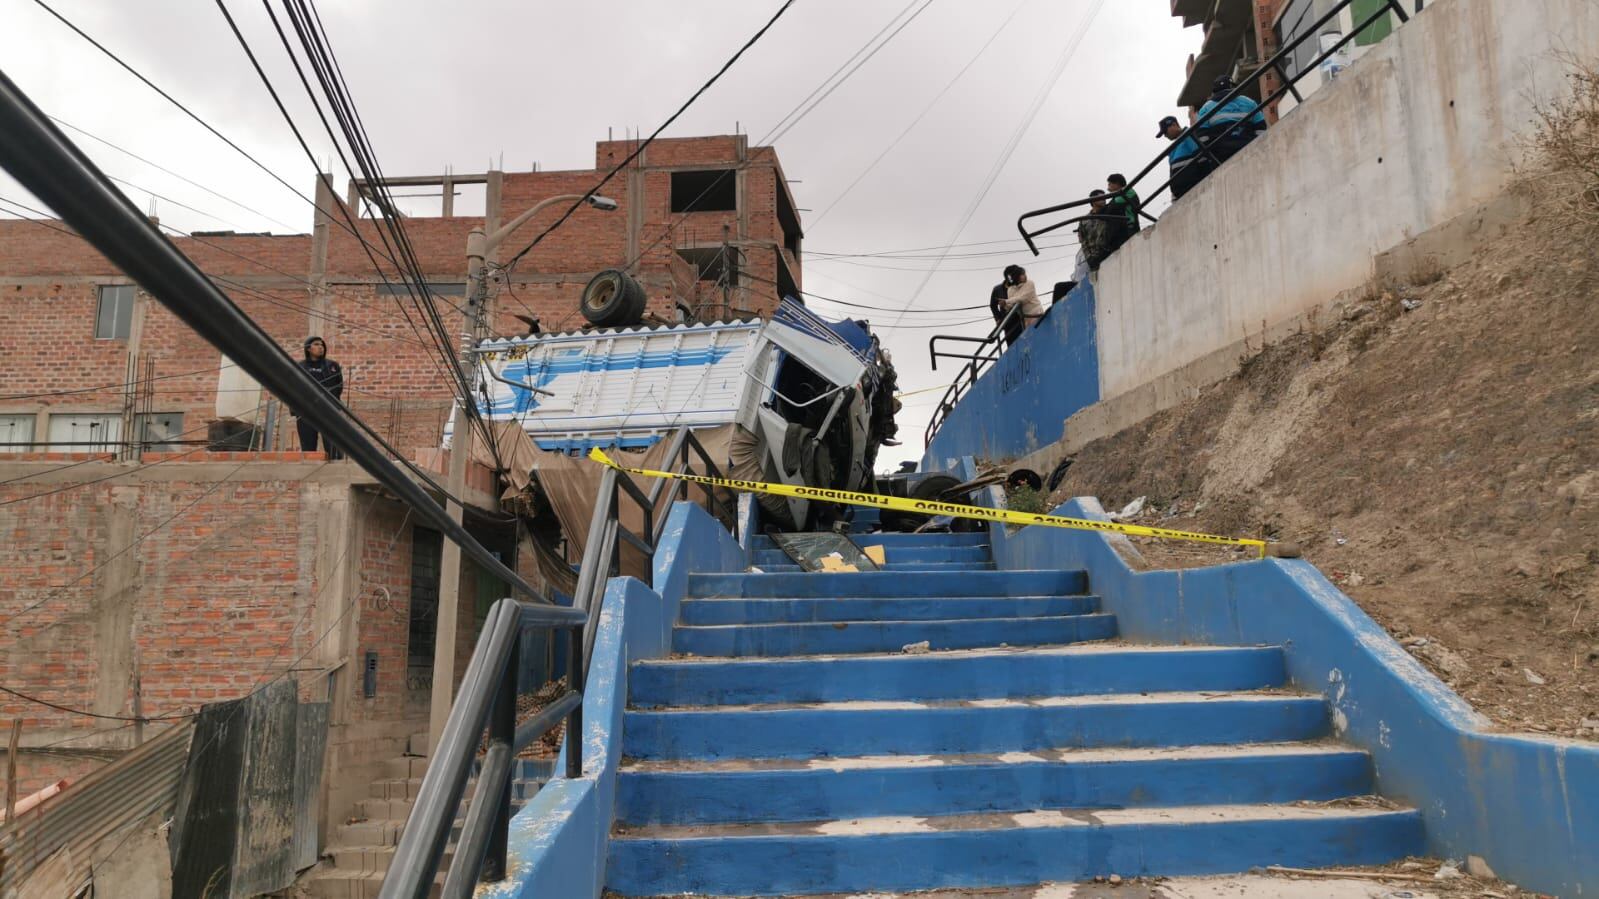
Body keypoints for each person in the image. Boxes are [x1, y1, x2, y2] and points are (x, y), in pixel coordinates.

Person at [1196, 76, 1266, 164]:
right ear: (1231, 86)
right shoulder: (1249, 102)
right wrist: (1257, 146)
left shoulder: (1206, 108)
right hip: (1249, 150)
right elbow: (1261, 128)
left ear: (1214, 91)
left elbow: (1202, 137)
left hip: (1221, 157)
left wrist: (1211, 157)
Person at [296, 335, 343, 458]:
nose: (320, 347)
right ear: (308, 349)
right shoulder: (300, 367)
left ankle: (335, 470)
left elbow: (338, 387)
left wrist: (333, 404)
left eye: (322, 344)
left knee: (333, 445)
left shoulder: (332, 366)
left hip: (328, 409)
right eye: (316, 344)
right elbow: (295, 388)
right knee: (308, 446)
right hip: (306, 411)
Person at [1160, 114, 1214, 199]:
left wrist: (1207, 178)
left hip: (1196, 187)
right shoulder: (1172, 149)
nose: (1165, 135)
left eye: (1165, 131)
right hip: (1181, 194)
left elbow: (1201, 157)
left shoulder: (1189, 134)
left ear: (1174, 125)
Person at [1076, 189, 1115, 271]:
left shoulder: (1110, 213)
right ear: (1093, 200)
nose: (1104, 200)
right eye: (1101, 198)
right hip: (1093, 259)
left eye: (1105, 198)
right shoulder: (1084, 220)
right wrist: (1089, 258)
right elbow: (1083, 241)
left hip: (1109, 253)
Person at [1000, 264, 1043, 330]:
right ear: (1016, 276)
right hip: (1025, 319)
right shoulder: (1010, 289)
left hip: (1037, 314)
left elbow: (1023, 299)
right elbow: (1012, 306)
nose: (1025, 276)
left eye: (1024, 273)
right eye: (1022, 274)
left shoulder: (1030, 283)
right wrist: (1004, 305)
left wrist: (1007, 301)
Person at [990, 282, 1024, 348]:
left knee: (1024, 340)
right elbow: (993, 305)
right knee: (1012, 345)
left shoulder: (1019, 286)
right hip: (1007, 322)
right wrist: (998, 318)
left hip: (1021, 319)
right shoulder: (997, 289)